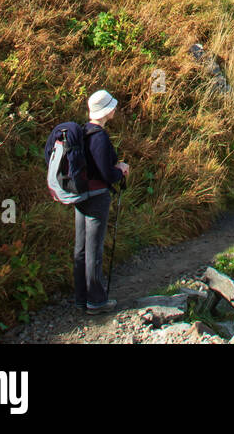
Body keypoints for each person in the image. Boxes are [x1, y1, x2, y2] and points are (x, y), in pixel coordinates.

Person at [74, 89, 129, 313]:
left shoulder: (81, 132)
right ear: (106, 112)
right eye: (112, 107)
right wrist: (121, 172)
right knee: (94, 250)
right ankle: (96, 301)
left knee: (80, 248)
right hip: (97, 197)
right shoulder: (99, 137)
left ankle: (81, 298)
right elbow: (106, 174)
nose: (115, 109)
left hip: (80, 195)